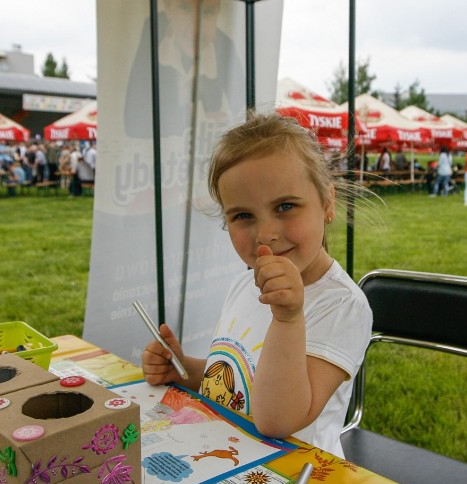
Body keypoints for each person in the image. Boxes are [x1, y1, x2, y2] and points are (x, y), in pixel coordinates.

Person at [141, 112, 372, 456]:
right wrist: (182, 368)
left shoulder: (341, 305)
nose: (265, 234)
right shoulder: (244, 285)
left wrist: (289, 318)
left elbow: (277, 420)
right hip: (229, 459)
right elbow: (239, 381)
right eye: (243, 215)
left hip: (299, 480)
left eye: (285, 206)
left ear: (327, 203)